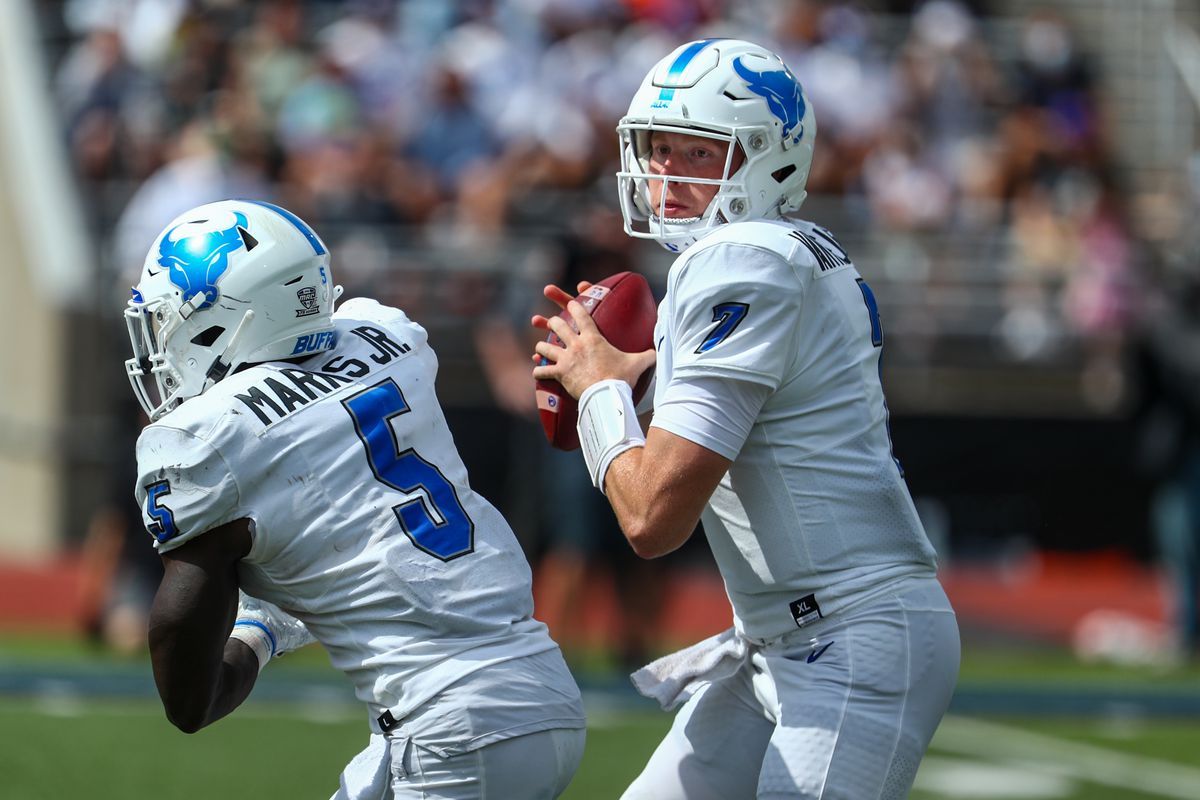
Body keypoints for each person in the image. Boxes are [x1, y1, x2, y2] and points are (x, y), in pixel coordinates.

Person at [532, 39, 959, 799]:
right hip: (783, 638)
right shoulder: (793, 248)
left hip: (852, 639)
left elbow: (652, 518)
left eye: (696, 152)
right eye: (657, 149)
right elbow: (778, 413)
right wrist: (644, 379)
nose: (663, 173)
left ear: (768, 158)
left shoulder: (739, 258)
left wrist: (599, 391)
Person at [126, 199, 585, 799]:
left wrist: (261, 631)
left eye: (175, 322)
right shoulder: (386, 333)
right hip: (539, 683)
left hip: (449, 729)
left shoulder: (207, 435)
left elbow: (190, 701)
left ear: (230, 320)